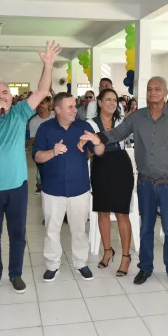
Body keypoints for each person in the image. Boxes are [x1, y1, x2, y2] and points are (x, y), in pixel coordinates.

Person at [0, 40, 61, 294]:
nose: (1, 96)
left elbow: (41, 91)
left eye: (4, 93)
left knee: (18, 235)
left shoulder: (19, 114)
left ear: (11, 96)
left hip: (17, 187)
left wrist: (48, 65)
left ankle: (15, 274)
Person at [81, 76, 168, 288]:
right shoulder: (137, 117)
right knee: (146, 228)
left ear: (166, 91)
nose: (153, 92)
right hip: (145, 182)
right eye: (149, 89)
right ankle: (145, 267)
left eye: (157, 89)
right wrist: (99, 138)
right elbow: (118, 132)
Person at [33, 92, 105, 282]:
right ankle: (52, 264)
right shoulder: (45, 129)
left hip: (79, 188)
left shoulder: (84, 127)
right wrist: (53, 152)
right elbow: (37, 156)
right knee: (51, 229)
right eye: (70, 107)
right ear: (57, 109)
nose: (75, 110)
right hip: (52, 189)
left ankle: (81, 262)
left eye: (75, 106)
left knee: (79, 229)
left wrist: (97, 141)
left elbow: (99, 152)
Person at [87, 89, 134, 276]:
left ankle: (125, 256)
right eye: (108, 99)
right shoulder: (90, 124)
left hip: (121, 166)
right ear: (99, 102)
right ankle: (107, 251)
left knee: (122, 213)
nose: (112, 103)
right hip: (100, 166)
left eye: (115, 100)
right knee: (103, 211)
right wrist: (97, 145)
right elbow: (88, 152)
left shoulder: (122, 122)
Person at [29, 99, 54, 195]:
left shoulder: (54, 115)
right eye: (38, 104)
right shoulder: (34, 121)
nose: (40, 106)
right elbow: (32, 139)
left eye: (42, 103)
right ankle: (40, 186)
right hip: (43, 149)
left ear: (48, 104)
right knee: (41, 172)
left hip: (56, 148)